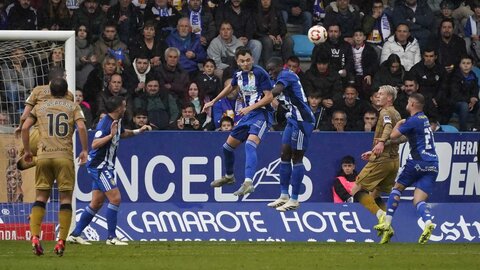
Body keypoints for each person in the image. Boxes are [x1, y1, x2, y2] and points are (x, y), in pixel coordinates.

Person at [67, 96, 151, 246]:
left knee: (97, 202)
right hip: (100, 166)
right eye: (124, 106)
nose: (125, 108)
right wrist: (110, 135)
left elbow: (122, 133)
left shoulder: (116, 121)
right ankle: (111, 238)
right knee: (115, 198)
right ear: (118, 108)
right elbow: (94, 144)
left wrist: (139, 130)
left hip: (104, 165)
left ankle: (75, 235)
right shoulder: (105, 123)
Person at [21, 78, 89, 256]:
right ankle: (61, 242)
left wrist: (28, 151)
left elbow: (25, 127)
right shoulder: (72, 105)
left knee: (41, 197)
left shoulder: (39, 107)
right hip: (64, 157)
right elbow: (81, 127)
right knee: (65, 200)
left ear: (49, 90)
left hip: (43, 157)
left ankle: (35, 237)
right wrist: (84, 150)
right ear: (67, 90)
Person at [203, 46, 273, 196]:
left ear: (252, 59)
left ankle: (248, 182)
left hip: (262, 114)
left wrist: (250, 108)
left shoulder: (260, 73)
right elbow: (230, 87)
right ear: (237, 62)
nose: (246, 63)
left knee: (249, 144)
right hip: (247, 115)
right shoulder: (239, 74)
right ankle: (229, 177)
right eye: (242, 61)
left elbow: (269, 97)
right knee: (227, 147)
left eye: (248, 60)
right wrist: (213, 101)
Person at [374, 93, 439, 244]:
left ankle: (387, 223)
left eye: (409, 102)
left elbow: (394, 135)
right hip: (433, 164)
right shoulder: (424, 119)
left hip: (418, 162)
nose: (407, 104)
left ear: (413, 105)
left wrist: (398, 124)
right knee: (418, 200)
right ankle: (428, 223)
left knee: (397, 188)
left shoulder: (413, 120)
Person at [350, 85, 401, 242]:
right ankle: (388, 227)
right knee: (375, 194)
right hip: (394, 161)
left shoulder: (385, 112)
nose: (377, 96)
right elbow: (402, 137)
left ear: (389, 98)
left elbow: (386, 128)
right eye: (377, 94)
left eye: (381, 94)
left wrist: (380, 144)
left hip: (382, 159)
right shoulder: (397, 114)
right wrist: (376, 150)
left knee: (356, 190)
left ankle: (383, 218)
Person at [265, 57, 315, 211]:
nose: (270, 73)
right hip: (292, 119)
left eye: (272, 70)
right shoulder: (279, 78)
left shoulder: (286, 75)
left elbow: (276, 92)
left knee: (296, 157)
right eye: (268, 71)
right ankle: (284, 195)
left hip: (302, 121)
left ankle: (294, 199)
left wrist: (259, 102)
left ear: (281, 66)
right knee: (284, 155)